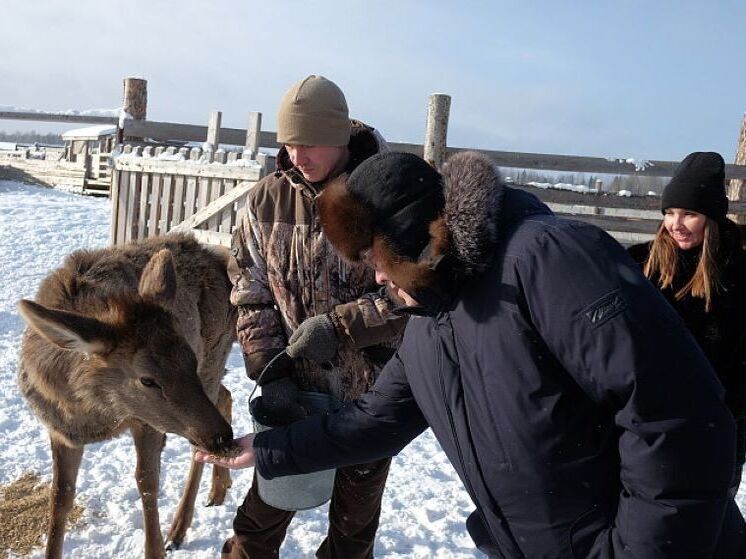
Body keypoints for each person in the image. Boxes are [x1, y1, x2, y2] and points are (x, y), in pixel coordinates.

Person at [205, 151, 745, 557]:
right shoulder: (429, 323)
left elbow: (676, 419)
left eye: (376, 257)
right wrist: (271, 449)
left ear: (412, 243)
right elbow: (375, 420)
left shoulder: (551, 260)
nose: (374, 276)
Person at [224, 75, 406, 559]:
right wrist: (268, 364)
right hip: (292, 391)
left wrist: (342, 326)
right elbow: (250, 291)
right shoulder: (265, 200)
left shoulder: (385, 198)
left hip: (366, 397)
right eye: (289, 142)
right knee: (259, 520)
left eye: (311, 142)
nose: (298, 155)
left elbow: (414, 295)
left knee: (353, 527)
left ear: (341, 136)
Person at [628, 151, 746, 497]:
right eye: (669, 212)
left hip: (719, 418)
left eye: (689, 214)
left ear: (711, 217)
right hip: (652, 417)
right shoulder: (641, 264)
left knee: (712, 509)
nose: (675, 224)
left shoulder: (736, 273)